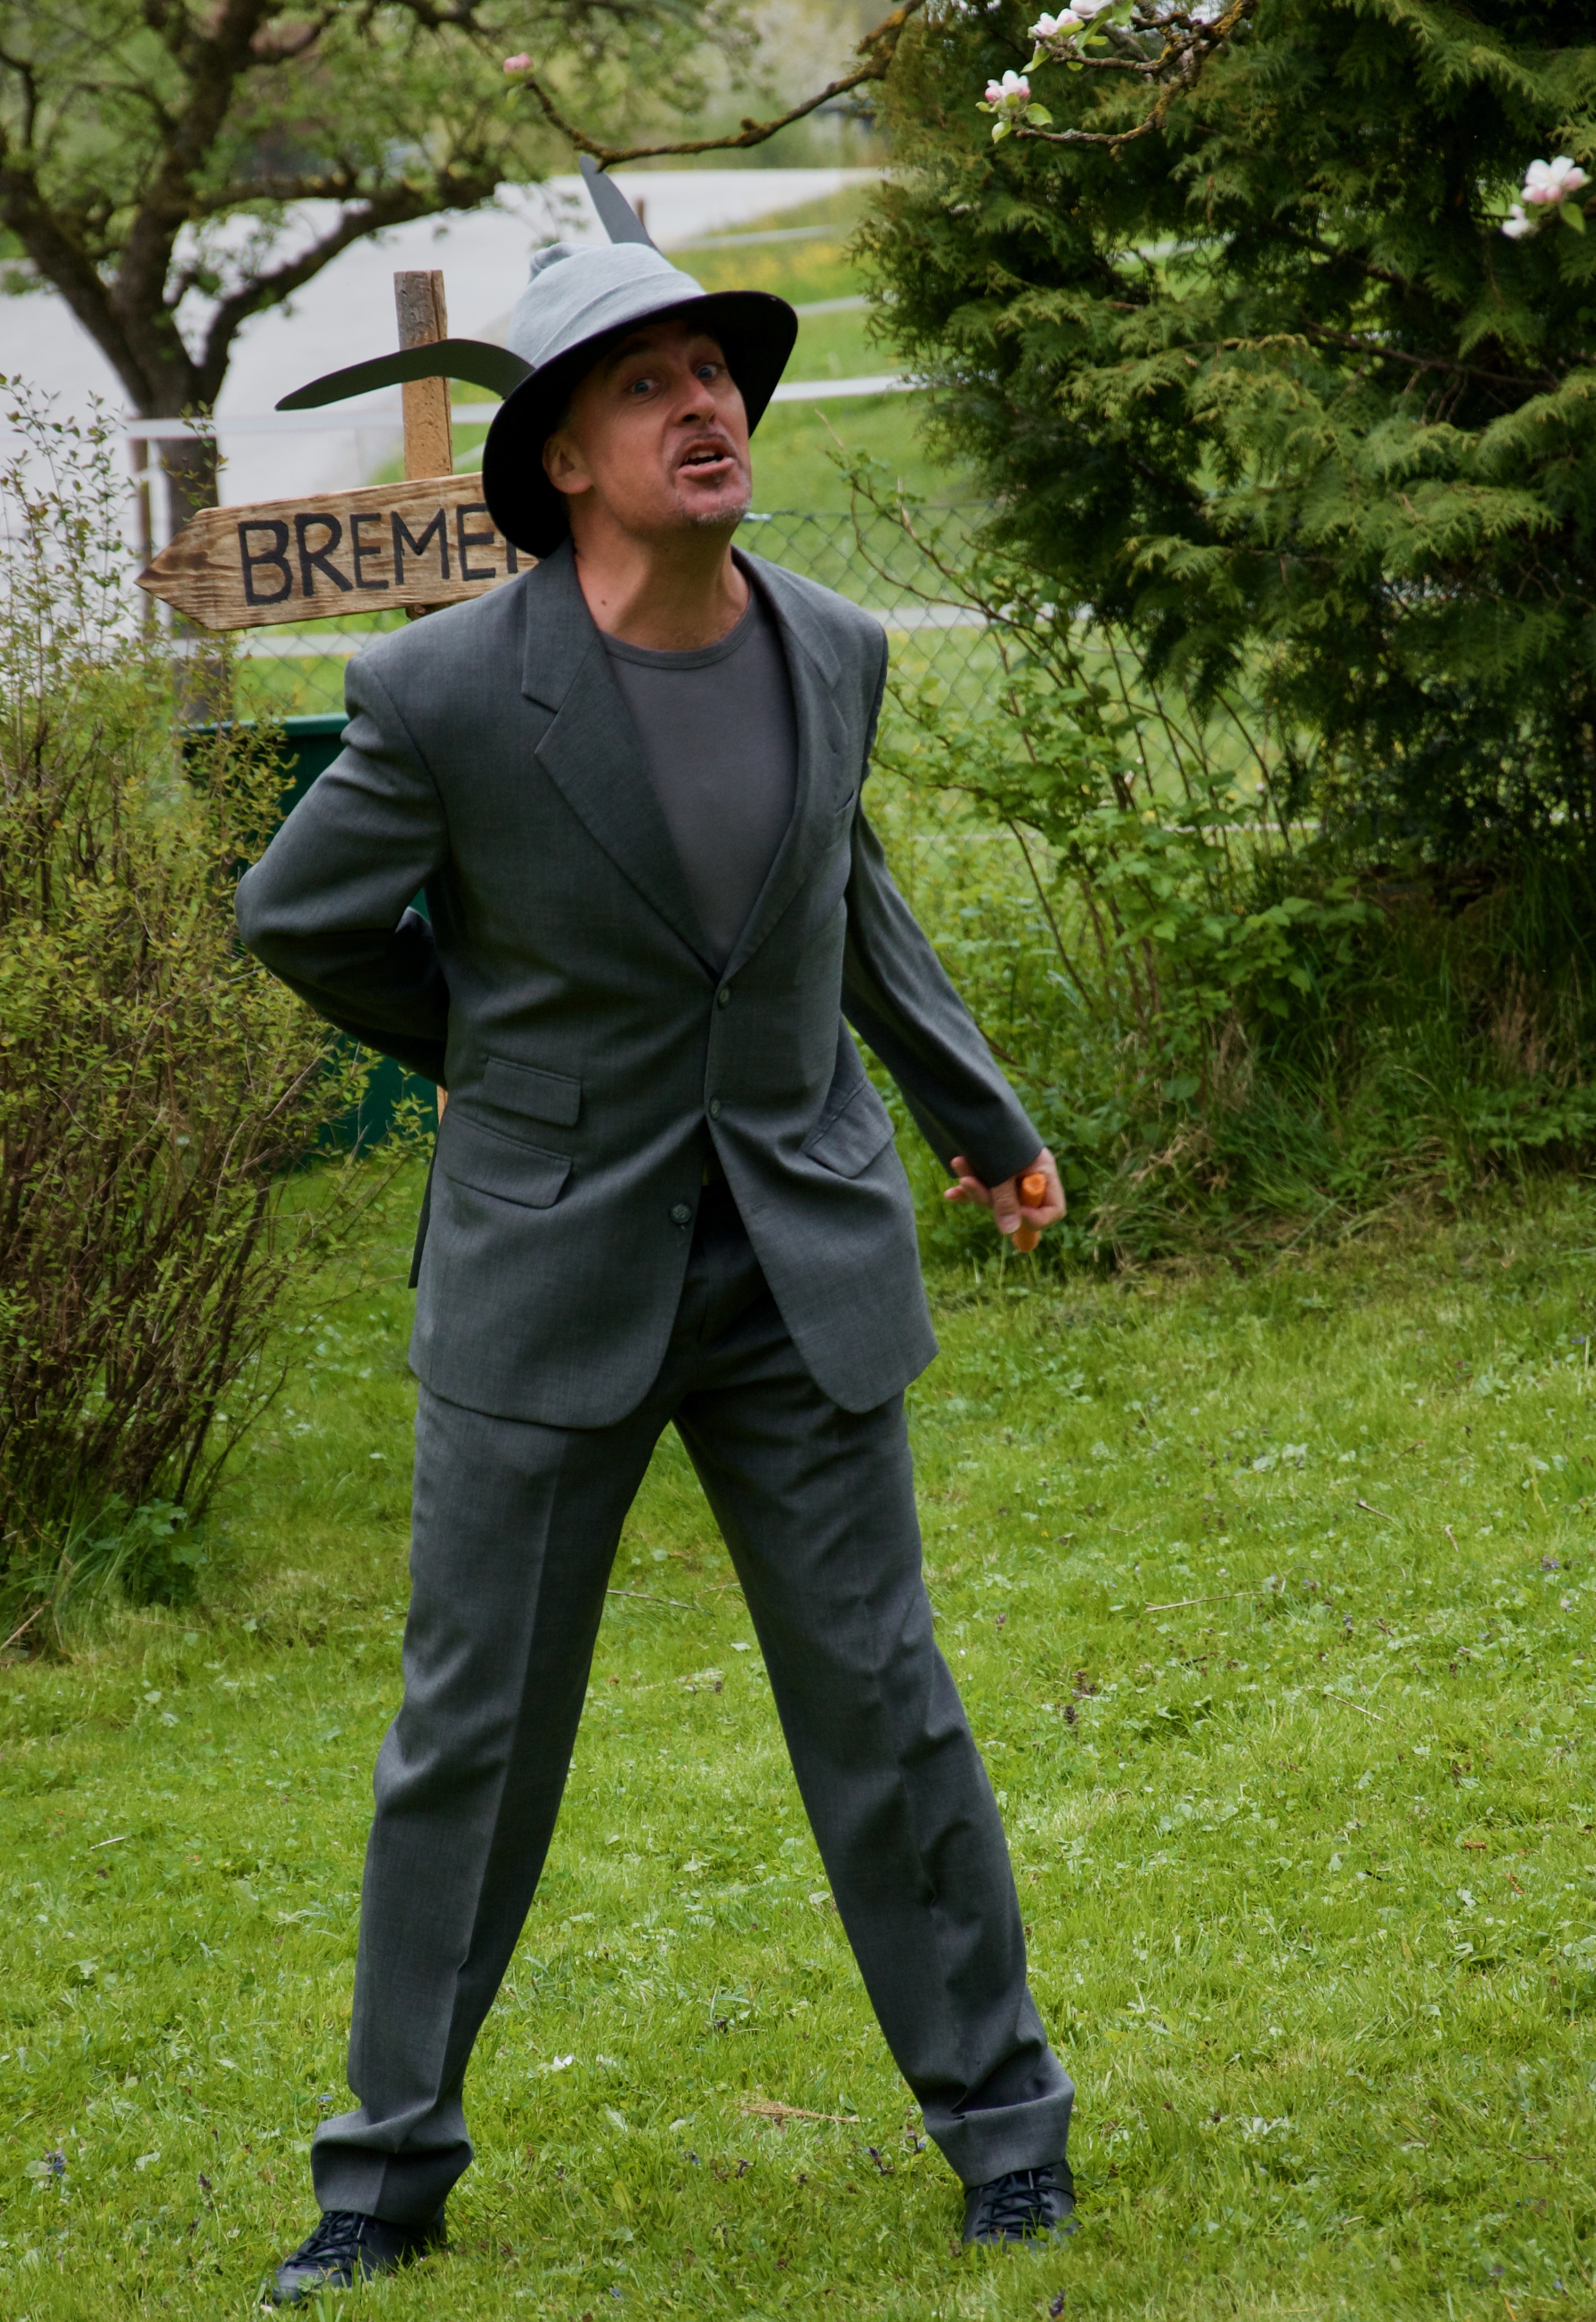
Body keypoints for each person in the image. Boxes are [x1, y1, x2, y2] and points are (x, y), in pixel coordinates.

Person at [236, 177, 1075, 2306]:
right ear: (562, 460)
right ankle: (381, 2177)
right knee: (473, 1740)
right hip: (550, 1272)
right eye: (648, 388)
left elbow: (850, 899)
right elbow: (300, 915)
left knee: (886, 1703)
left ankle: (1006, 2134)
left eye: (716, 372)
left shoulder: (835, 648)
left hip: (800, 1263)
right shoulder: (443, 694)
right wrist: (497, 1066)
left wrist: (980, 1119)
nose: (706, 406)